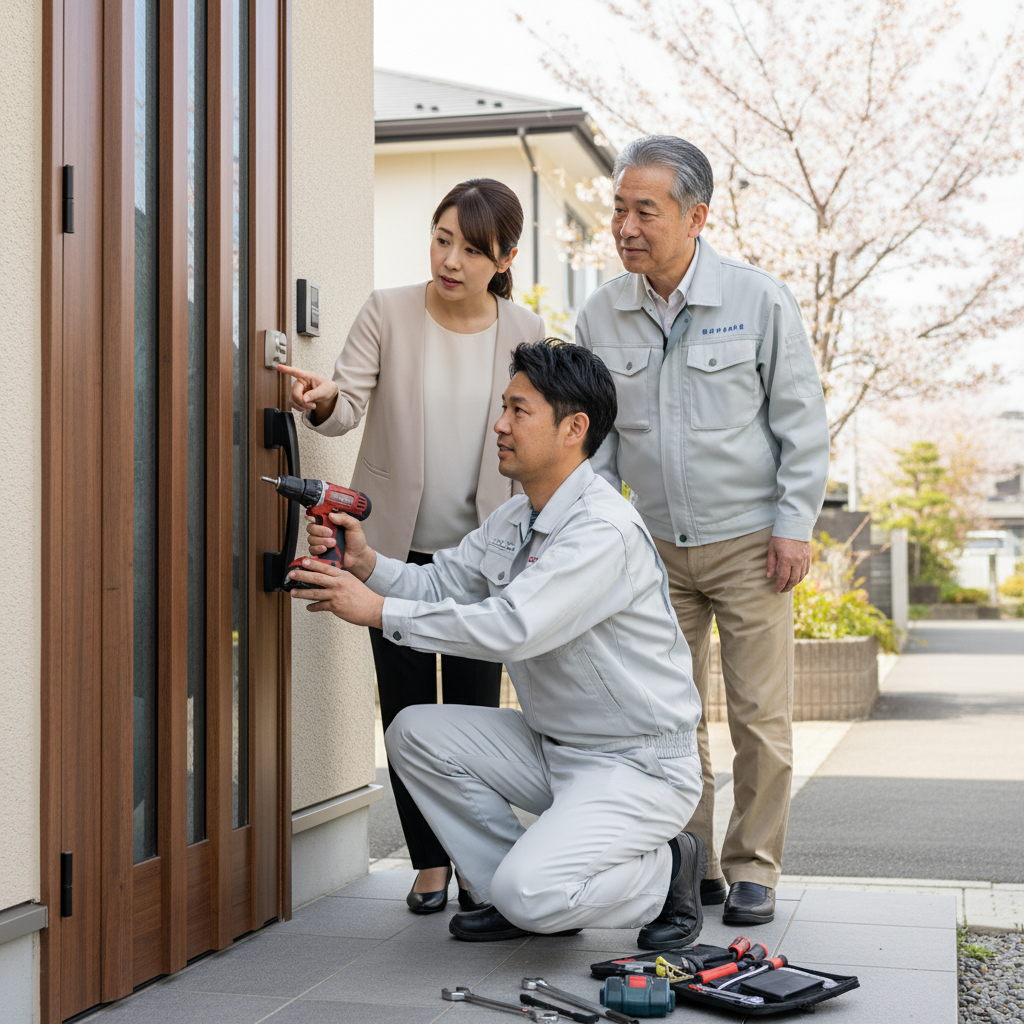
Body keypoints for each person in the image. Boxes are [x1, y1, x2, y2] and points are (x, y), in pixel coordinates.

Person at [289, 341, 707, 947]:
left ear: (574, 429)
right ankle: (514, 893)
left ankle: (668, 872)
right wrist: (367, 565)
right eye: (504, 407)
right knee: (413, 732)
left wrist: (376, 611)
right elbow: (441, 582)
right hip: (552, 746)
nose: (500, 425)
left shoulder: (602, 530)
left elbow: (512, 626)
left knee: (530, 891)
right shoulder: (516, 517)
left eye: (518, 410)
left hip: (636, 764)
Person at [576, 135, 830, 926]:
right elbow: (595, 446)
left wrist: (794, 525)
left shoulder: (758, 301)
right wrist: (604, 537)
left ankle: (753, 866)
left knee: (760, 718)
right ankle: (691, 866)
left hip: (752, 544)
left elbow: (801, 424)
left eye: (644, 211)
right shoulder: (600, 312)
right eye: (618, 209)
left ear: (696, 217)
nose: (625, 227)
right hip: (652, 550)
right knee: (666, 720)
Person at [277, 179, 545, 916]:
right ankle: (428, 860)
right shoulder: (388, 310)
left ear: (505, 259)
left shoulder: (525, 330)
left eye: (471, 249)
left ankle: (476, 865)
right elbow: (346, 405)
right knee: (403, 710)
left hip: (483, 559)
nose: (450, 260)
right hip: (388, 551)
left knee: (474, 714)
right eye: (441, 239)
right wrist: (322, 401)